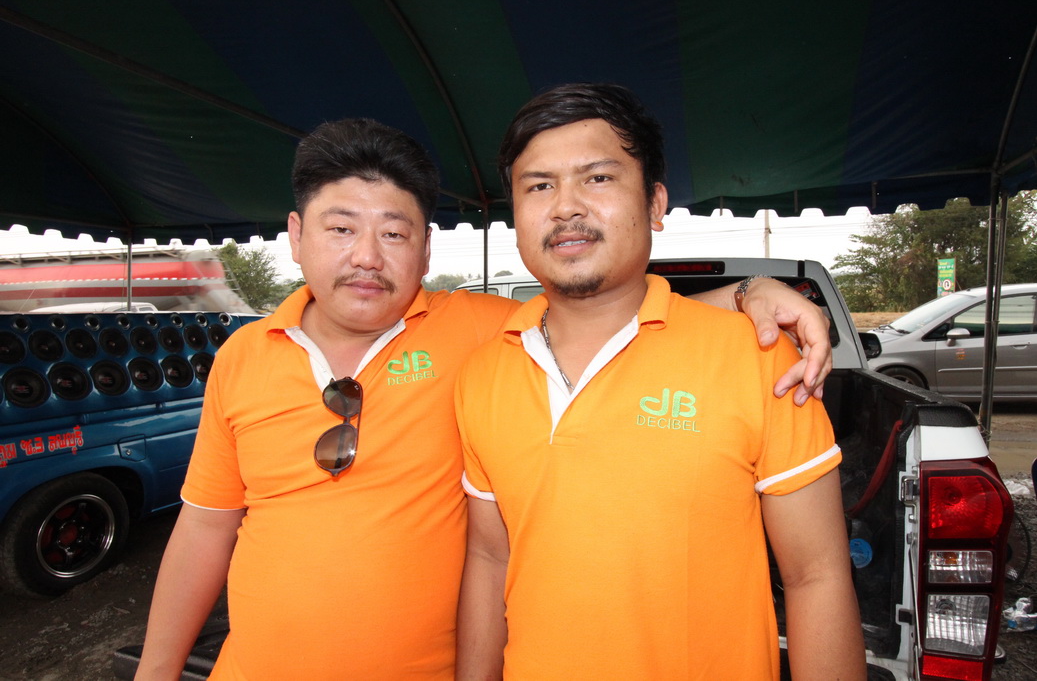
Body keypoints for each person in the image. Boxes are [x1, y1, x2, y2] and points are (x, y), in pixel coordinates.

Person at [135, 117, 834, 680]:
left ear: (425, 250)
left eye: (394, 233)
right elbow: (205, 527)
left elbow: (604, 315)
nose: (367, 256)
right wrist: (156, 670)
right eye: (341, 228)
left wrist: (747, 296)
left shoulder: (478, 332)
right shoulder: (242, 355)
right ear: (295, 236)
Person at [455, 84, 866, 680]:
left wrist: (749, 292)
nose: (566, 207)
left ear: (654, 203)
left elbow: (816, 575)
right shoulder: (482, 374)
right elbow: (490, 559)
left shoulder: (756, 356)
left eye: (598, 178)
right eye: (539, 186)